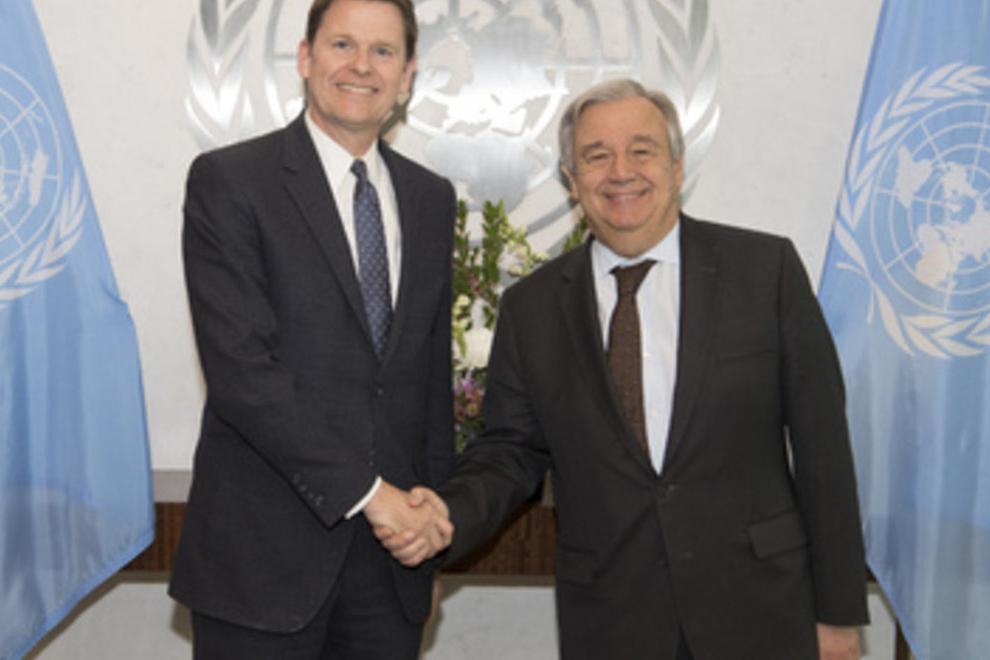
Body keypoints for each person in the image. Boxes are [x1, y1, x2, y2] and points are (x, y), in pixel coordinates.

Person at [380, 78, 869, 659]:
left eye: (642, 150)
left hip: (761, 612)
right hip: (614, 620)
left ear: (677, 167)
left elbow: (823, 450)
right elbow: (511, 451)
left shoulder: (766, 272)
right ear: (572, 181)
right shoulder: (532, 308)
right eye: (596, 156)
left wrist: (838, 614)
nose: (621, 172)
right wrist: (446, 514)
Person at [169, 0, 455, 657]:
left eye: (383, 51)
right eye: (342, 45)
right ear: (305, 57)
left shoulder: (430, 198)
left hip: (390, 569)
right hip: (262, 564)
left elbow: (428, 384)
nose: (362, 66)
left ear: (407, 75)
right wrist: (371, 495)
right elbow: (243, 375)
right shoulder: (231, 181)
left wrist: (428, 537)